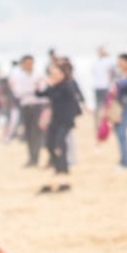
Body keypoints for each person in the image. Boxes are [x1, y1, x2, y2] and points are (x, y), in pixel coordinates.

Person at [34, 60, 81, 194]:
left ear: (62, 74)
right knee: (49, 144)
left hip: (65, 120)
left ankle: (63, 172)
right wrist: (38, 86)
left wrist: (51, 84)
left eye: (56, 73)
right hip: (55, 120)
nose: (53, 75)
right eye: (52, 73)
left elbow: (66, 95)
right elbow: (41, 95)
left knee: (60, 145)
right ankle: (58, 168)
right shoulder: (54, 86)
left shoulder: (67, 85)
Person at [9, 55, 45, 167]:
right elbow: (17, 92)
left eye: (31, 62)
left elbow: (42, 90)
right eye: (27, 63)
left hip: (37, 105)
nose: (29, 65)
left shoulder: (38, 74)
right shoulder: (19, 76)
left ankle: (36, 157)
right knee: (28, 133)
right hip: (25, 106)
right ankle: (31, 157)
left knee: (36, 132)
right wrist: (31, 90)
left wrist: (28, 91)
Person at [91, 45, 115, 135]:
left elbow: (112, 73)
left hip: (105, 87)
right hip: (98, 86)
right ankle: (98, 127)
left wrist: (111, 84)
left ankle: (108, 125)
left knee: (107, 107)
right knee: (98, 108)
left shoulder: (108, 61)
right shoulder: (95, 61)